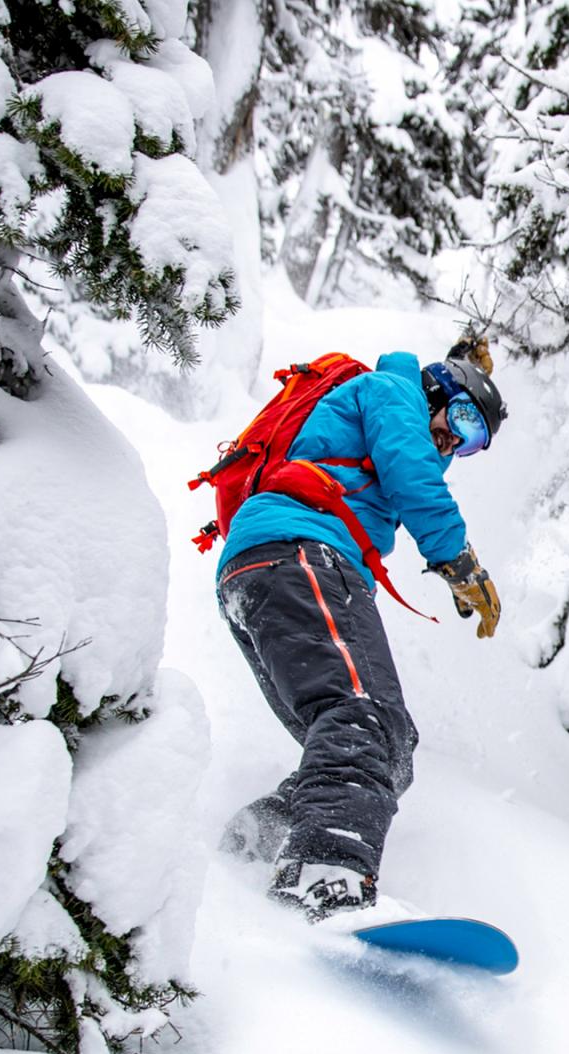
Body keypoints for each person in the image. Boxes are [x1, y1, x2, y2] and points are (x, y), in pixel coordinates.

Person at [214, 347, 506, 921]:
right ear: (438, 393)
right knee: (361, 718)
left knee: (388, 741)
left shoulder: (392, 413)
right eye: (465, 423)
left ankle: (258, 847)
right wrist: (459, 561)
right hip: (300, 554)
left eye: (474, 445)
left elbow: (410, 458)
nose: (459, 445)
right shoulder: (392, 391)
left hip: (265, 572)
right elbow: (411, 468)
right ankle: (324, 875)